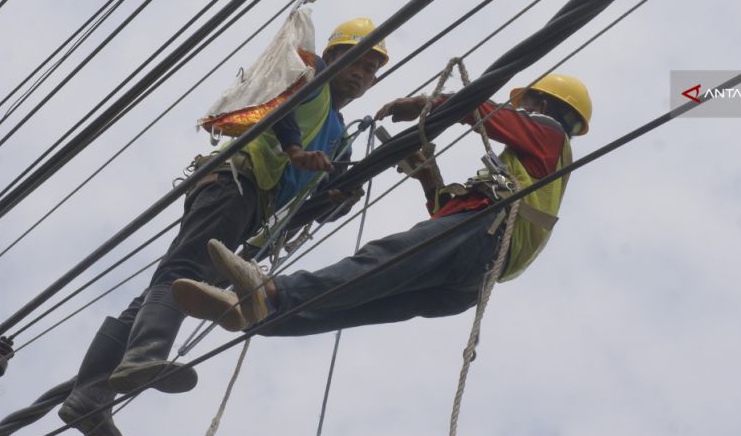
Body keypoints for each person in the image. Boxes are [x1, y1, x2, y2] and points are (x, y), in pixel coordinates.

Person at [59, 18, 389, 436]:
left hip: (256, 207)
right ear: (333, 57)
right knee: (184, 271)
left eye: (370, 70)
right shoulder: (311, 81)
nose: (361, 75)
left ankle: (90, 396)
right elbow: (280, 107)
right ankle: (143, 355)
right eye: (356, 62)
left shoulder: (339, 138)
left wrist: (338, 200)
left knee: (161, 293)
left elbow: (307, 204)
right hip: (235, 180)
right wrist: (293, 151)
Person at [170, 74, 591, 338]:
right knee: (357, 301)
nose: (522, 109)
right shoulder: (534, 174)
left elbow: (484, 111)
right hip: (473, 281)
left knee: (378, 260)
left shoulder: (549, 133)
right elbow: (447, 221)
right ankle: (259, 317)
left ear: (543, 105)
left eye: (527, 104)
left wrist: (427, 103)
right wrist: (426, 172)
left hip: (482, 236)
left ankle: (268, 292)